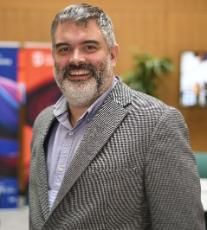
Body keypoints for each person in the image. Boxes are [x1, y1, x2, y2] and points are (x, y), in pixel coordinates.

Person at [29, 3, 205, 230]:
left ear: (113, 54)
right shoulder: (43, 122)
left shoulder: (157, 123)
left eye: (89, 47)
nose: (75, 59)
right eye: (64, 49)